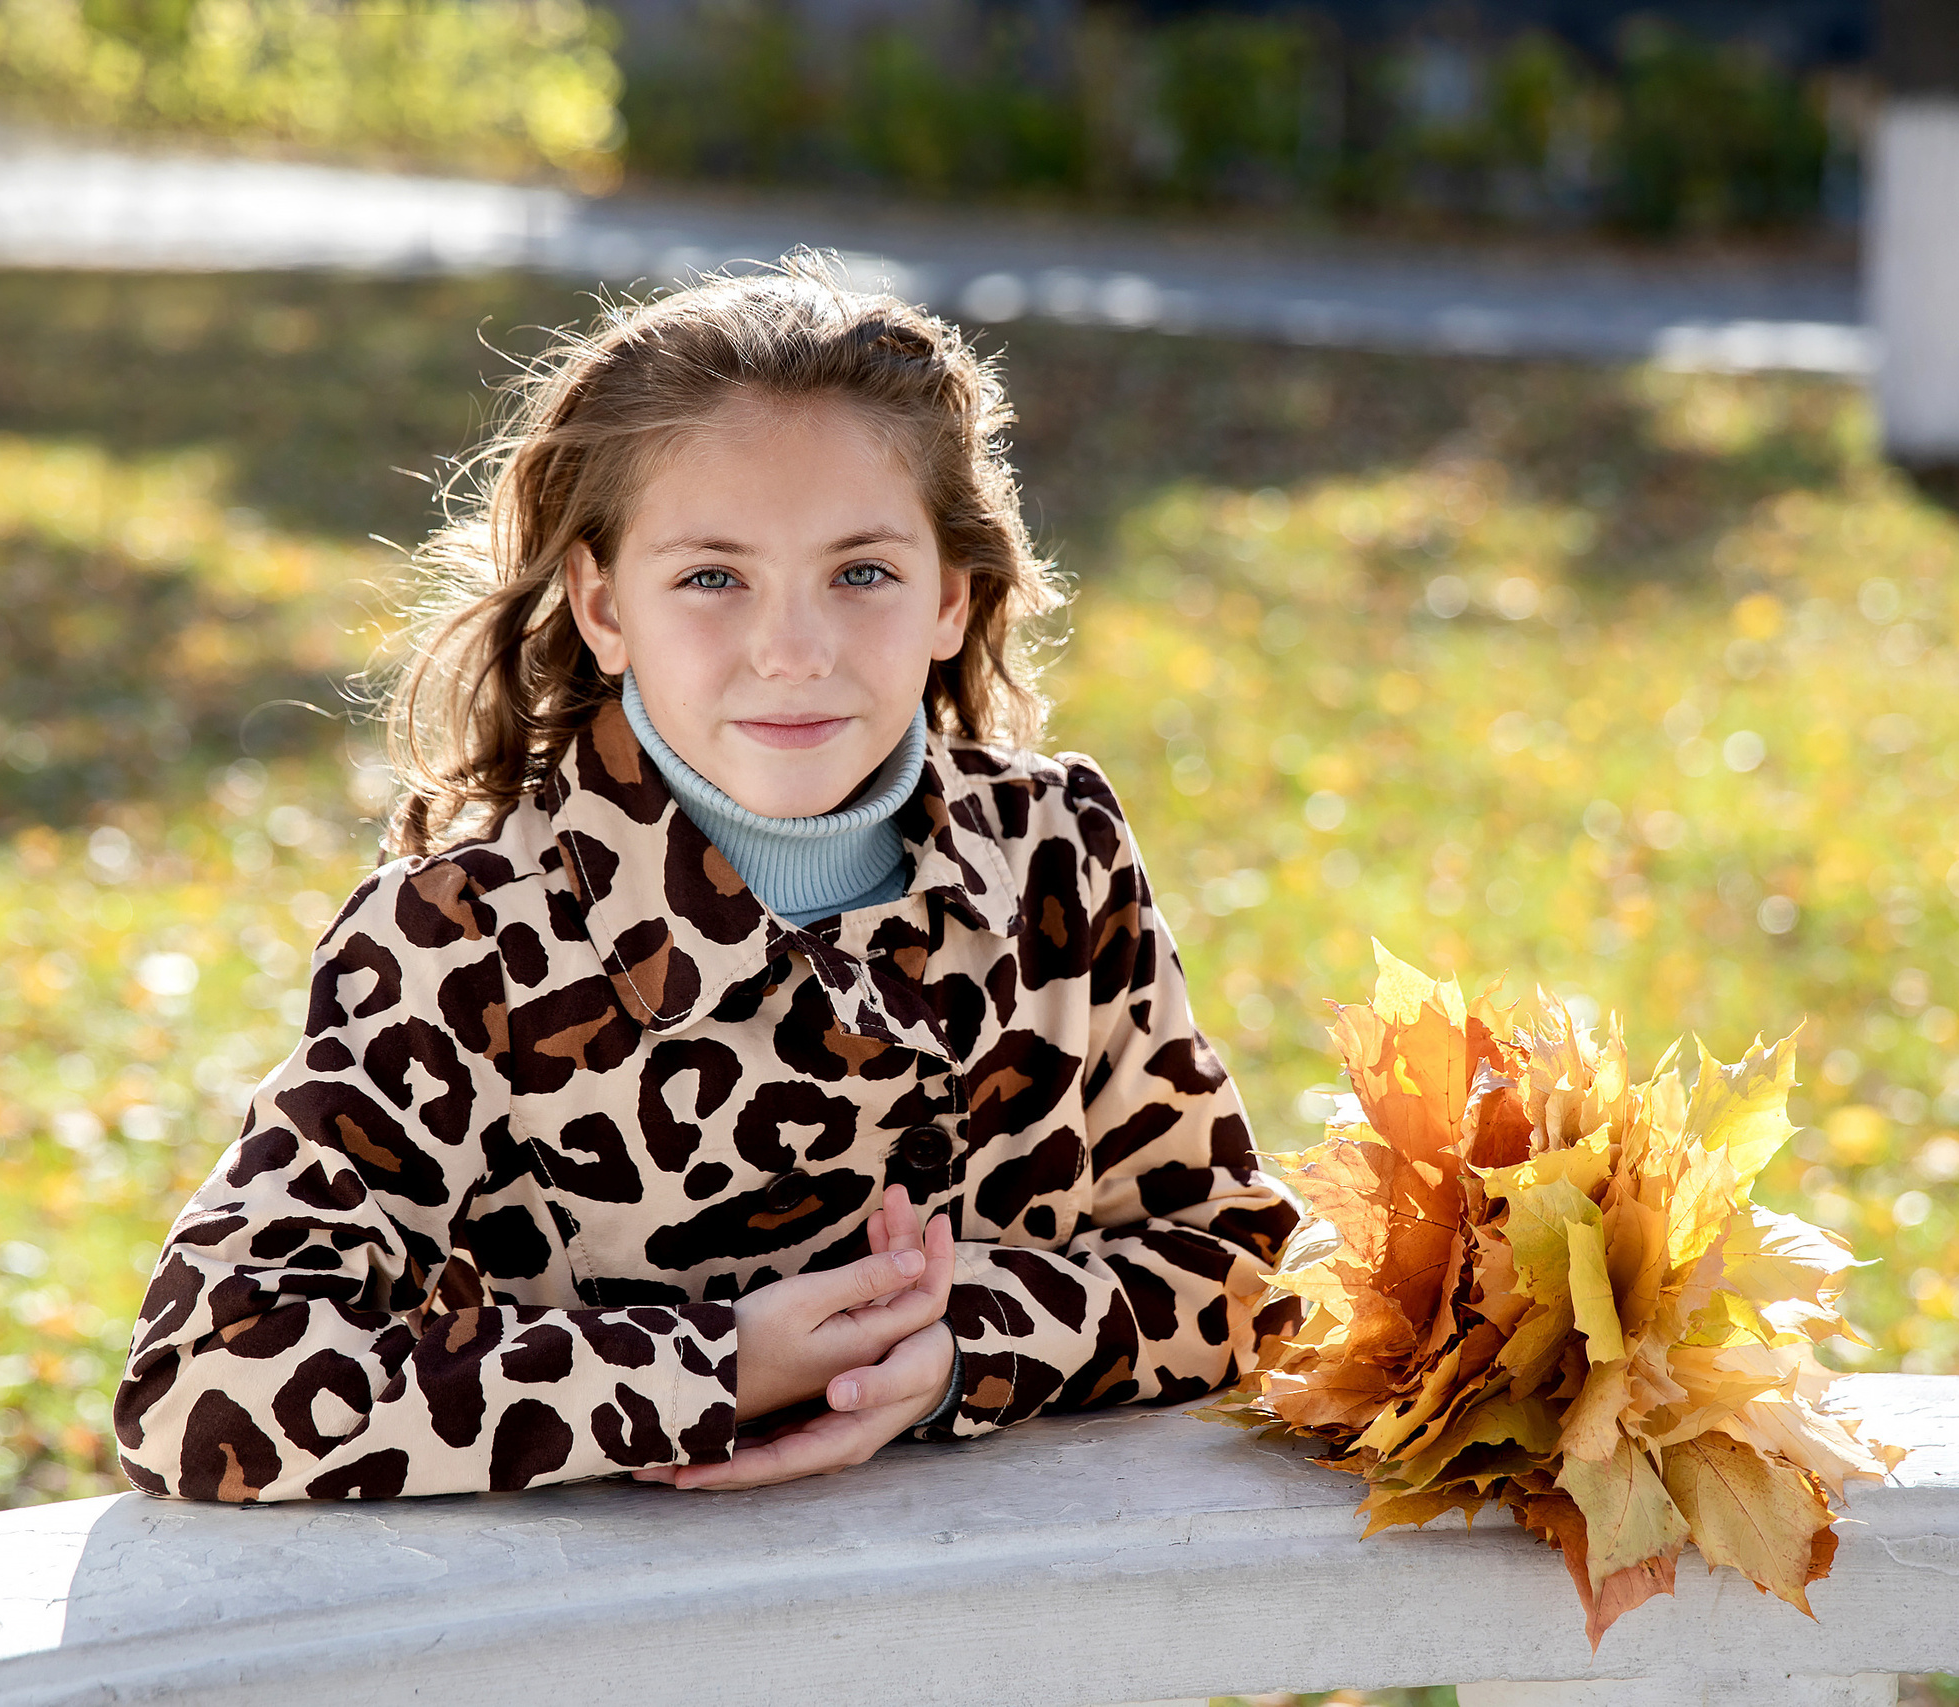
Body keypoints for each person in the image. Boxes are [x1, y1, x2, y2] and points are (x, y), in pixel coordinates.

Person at [111, 256, 1300, 1502]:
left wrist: (957, 1349)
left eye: (862, 573)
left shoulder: (1053, 855)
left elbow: (1244, 1268)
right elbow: (205, 1383)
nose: (792, 651)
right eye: (711, 578)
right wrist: (717, 1366)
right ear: (602, 603)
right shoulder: (461, 937)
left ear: (952, 595)